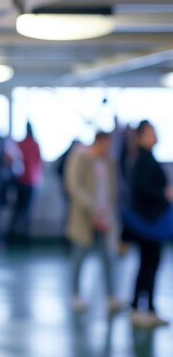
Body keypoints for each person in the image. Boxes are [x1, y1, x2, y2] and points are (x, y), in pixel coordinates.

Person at [65, 131, 122, 312]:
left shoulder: (108, 163)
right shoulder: (81, 158)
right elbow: (74, 186)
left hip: (105, 218)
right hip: (85, 218)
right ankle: (75, 295)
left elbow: (112, 189)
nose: (107, 148)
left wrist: (108, 213)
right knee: (79, 256)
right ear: (98, 142)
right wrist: (91, 209)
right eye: (105, 144)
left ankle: (111, 296)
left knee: (108, 257)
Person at [127, 120, 172, 327]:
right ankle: (138, 307)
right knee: (148, 264)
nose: (155, 136)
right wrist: (164, 194)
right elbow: (143, 189)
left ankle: (149, 307)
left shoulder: (147, 158)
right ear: (141, 136)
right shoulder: (143, 160)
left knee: (150, 264)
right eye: (151, 132)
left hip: (152, 221)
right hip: (148, 222)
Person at [7, 122, 42, 243]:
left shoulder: (20, 144)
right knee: (27, 210)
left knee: (18, 208)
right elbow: (39, 162)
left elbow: (13, 159)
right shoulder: (35, 145)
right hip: (32, 181)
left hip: (20, 180)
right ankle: (23, 236)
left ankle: (12, 235)